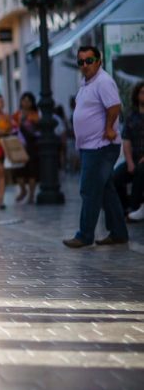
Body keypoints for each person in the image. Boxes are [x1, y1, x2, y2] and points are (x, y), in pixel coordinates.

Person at [63, 45, 129, 248]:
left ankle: (84, 235)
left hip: (101, 146)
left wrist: (109, 127)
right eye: (81, 62)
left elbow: (114, 106)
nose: (85, 65)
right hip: (90, 147)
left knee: (89, 190)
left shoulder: (103, 81)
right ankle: (118, 232)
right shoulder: (87, 83)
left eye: (89, 60)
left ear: (99, 61)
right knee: (105, 190)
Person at [113, 81, 144, 221]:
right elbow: (126, 141)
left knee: (141, 170)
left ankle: (134, 208)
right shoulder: (132, 116)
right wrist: (130, 161)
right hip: (134, 157)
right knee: (115, 178)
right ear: (137, 95)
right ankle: (124, 208)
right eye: (142, 92)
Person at [12, 92, 40, 204]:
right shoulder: (17, 114)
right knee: (19, 170)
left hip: (32, 145)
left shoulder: (36, 114)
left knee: (32, 170)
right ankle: (23, 190)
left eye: (29, 100)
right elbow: (12, 127)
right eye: (24, 100)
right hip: (20, 145)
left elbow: (38, 126)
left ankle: (31, 195)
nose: (26, 102)